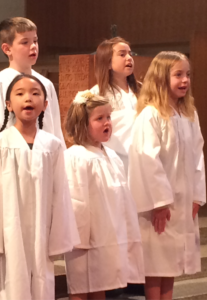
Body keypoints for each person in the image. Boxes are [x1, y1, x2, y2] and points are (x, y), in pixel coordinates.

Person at [0, 74, 79, 300]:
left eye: (35, 93)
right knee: (9, 282)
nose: (27, 98)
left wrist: (58, 232)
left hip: (42, 227)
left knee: (41, 279)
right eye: (20, 94)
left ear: (45, 104)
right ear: (9, 105)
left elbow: (60, 193)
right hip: (7, 229)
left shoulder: (52, 146)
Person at [128, 51, 206, 300]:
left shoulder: (188, 114)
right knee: (156, 263)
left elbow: (198, 156)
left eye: (188, 75)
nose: (185, 80)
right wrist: (160, 202)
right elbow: (146, 158)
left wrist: (196, 196)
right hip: (159, 205)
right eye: (178, 75)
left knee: (171, 261)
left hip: (182, 202)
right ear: (161, 78)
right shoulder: (151, 115)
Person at [64, 91, 144, 300]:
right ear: (82, 123)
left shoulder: (111, 155)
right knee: (82, 286)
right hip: (85, 238)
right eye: (99, 118)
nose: (107, 122)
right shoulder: (76, 156)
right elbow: (75, 199)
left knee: (101, 283)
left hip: (107, 234)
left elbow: (122, 198)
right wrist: (79, 238)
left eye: (108, 117)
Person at [0, 17, 65, 148]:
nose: (33, 46)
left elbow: (55, 130)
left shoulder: (46, 84)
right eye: (25, 42)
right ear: (7, 49)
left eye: (35, 41)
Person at [90, 37, 140, 172]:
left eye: (130, 53)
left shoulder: (142, 91)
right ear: (108, 63)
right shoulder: (96, 94)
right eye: (122, 54)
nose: (129, 58)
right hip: (112, 161)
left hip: (141, 158)